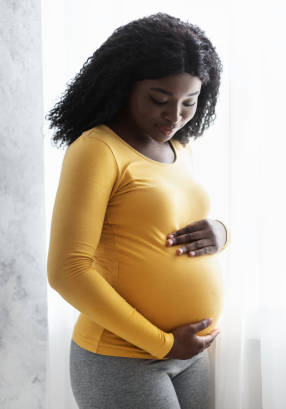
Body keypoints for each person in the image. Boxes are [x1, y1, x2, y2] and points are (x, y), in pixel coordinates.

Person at [46, 12, 228, 409]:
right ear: (124, 86)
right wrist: (161, 343)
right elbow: (67, 271)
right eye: (159, 99)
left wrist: (219, 232)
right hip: (122, 357)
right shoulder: (97, 150)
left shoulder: (181, 149)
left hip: (188, 355)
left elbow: (164, 225)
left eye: (189, 102)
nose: (174, 115)